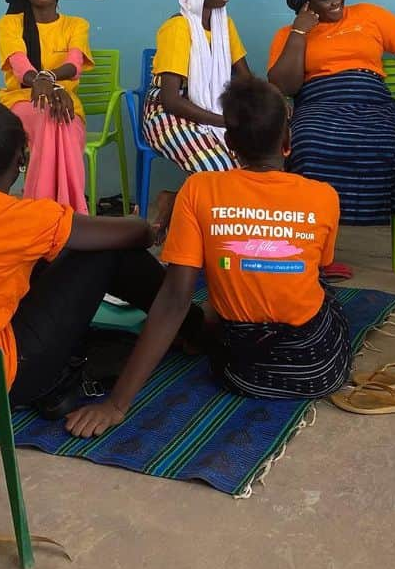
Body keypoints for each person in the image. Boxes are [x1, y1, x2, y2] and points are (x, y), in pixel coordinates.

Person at [65, 77, 352, 438]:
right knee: (314, 279)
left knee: (220, 285)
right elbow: (319, 267)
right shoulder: (324, 196)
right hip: (317, 366)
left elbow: (175, 299)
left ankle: (218, 317)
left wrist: (116, 404)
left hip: (248, 370)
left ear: (229, 143)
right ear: (287, 141)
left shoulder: (199, 189)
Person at [0, 101, 207, 421]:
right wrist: (151, 228)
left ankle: (176, 329)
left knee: (50, 252)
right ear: (22, 159)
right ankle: (194, 328)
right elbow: (134, 234)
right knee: (106, 249)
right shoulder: (22, 218)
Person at [268, 0, 395, 232]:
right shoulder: (288, 34)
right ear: (305, 4)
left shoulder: (369, 15)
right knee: (305, 145)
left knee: (394, 143)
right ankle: (313, 230)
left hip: (373, 103)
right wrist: (299, 32)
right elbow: (286, 86)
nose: (337, 0)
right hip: (319, 105)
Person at [0, 0, 93, 211]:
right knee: (48, 114)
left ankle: (56, 209)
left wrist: (49, 81)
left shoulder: (76, 24)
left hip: (65, 100)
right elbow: (18, 63)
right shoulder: (10, 24)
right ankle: (55, 210)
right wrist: (41, 83)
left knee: (62, 119)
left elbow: (74, 63)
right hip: (21, 101)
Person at [142, 0, 251, 173]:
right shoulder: (177, 29)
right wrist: (223, 121)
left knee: (252, 164)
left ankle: (171, 201)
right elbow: (171, 100)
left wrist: (272, 101)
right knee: (218, 168)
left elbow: (246, 79)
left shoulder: (224, 25)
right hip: (168, 113)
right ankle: (177, 203)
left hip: (215, 107)